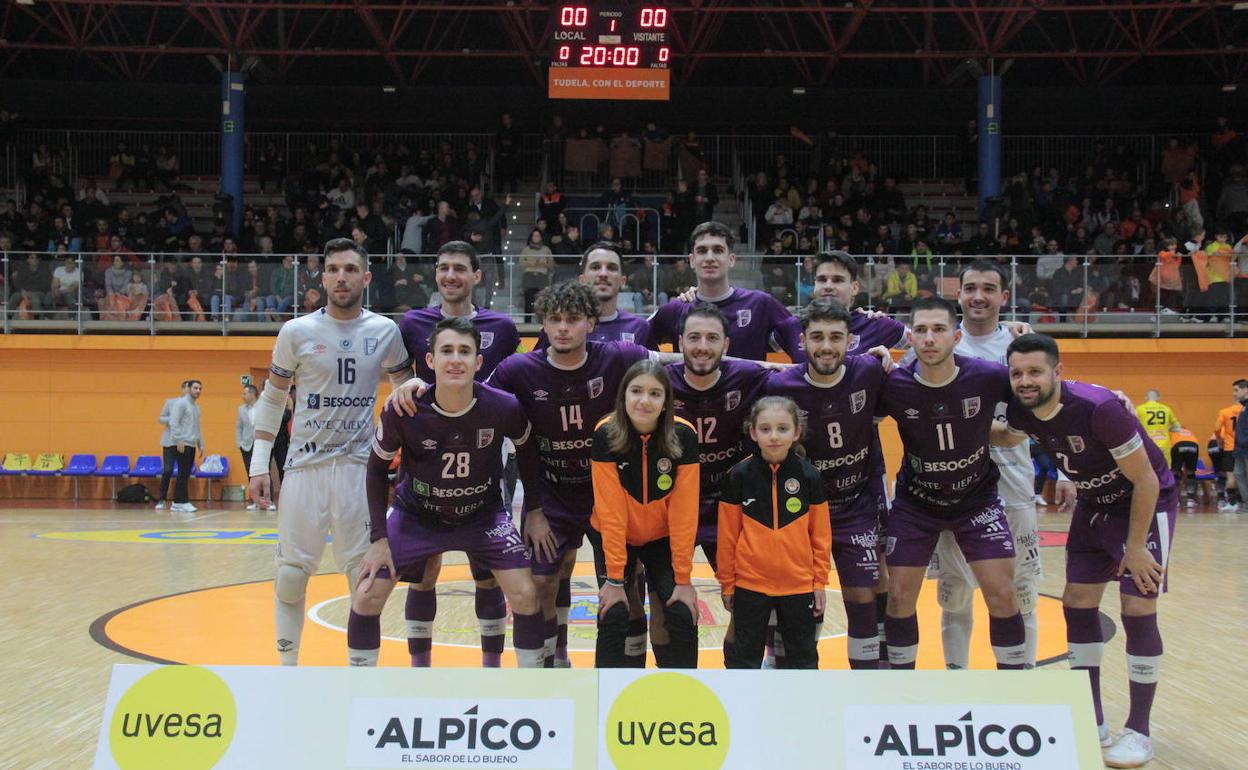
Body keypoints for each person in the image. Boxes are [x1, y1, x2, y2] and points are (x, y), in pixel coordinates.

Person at [1000, 333, 1177, 767]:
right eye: (1018, 372)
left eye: (1035, 371)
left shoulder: (1099, 408)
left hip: (1142, 505)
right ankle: (1091, 716)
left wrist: (1135, 547)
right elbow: (1005, 436)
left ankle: (1139, 729)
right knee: (1078, 603)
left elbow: (1147, 481)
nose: (1026, 380)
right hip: (1094, 505)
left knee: (1137, 607)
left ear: (1057, 372)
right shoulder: (1025, 408)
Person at [247, 238, 414, 666]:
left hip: (360, 470)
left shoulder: (385, 332)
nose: (342, 277)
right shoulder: (297, 331)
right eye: (334, 269)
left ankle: (360, 675)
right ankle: (287, 671)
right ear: (323, 277)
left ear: (366, 277)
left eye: (351, 269)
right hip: (304, 467)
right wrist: (259, 464)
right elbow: (271, 397)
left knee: (366, 577)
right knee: (288, 577)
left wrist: (407, 461)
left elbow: (405, 395)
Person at [347, 316, 548, 668]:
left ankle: (525, 688)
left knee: (526, 593)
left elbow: (529, 452)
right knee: (366, 595)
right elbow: (376, 470)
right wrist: (379, 539)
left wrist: (534, 510)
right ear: (430, 361)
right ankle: (359, 688)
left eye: (465, 352)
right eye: (447, 351)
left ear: (478, 362)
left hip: (483, 515)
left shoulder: (503, 406)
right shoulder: (404, 408)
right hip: (417, 514)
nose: (456, 359)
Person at [484, 281, 657, 666]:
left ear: (591, 323)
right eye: (554, 319)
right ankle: (553, 663)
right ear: (542, 324)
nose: (563, 327)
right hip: (550, 495)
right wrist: (416, 385)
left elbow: (684, 362)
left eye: (573, 319)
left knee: (626, 586)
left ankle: (625, 674)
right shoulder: (517, 370)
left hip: (609, 493)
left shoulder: (619, 357)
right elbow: (471, 396)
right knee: (542, 581)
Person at [925, 260, 1070, 671]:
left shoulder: (1022, 346)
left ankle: (1019, 681)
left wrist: (1064, 470)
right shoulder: (940, 343)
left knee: (1020, 589)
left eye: (989, 288)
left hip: (1013, 481)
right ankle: (958, 681)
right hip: (952, 485)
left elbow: (1055, 409)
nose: (978, 296)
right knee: (955, 590)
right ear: (959, 295)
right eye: (971, 287)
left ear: (1004, 297)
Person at [875, 297, 1027, 671]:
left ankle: (1015, 689)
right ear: (909, 338)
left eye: (939, 330)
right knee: (898, 596)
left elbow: (1042, 391)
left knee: (1004, 594)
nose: (930, 338)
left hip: (977, 501)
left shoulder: (989, 376)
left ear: (956, 336)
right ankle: (900, 687)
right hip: (916, 504)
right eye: (922, 331)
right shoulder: (893, 383)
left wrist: (1105, 396)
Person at [396, 241, 521, 668]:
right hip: (427, 454)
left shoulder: (501, 327)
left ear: (476, 276)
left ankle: (491, 669)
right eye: (444, 267)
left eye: (460, 269)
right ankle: (420, 669)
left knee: (486, 569)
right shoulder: (413, 323)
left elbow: (509, 380)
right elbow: (402, 380)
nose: (451, 276)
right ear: (435, 273)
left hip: (484, 452)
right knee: (424, 568)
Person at [763, 299, 888, 669]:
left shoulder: (870, 370)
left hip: (855, 507)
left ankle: (868, 680)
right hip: (800, 512)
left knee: (862, 593)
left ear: (851, 341)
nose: (827, 346)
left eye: (836, 337)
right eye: (817, 337)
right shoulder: (781, 385)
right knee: (797, 597)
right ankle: (787, 672)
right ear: (803, 342)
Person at [590, 360, 700, 668]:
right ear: (623, 396)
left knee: (681, 609)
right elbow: (610, 512)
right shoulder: (606, 434)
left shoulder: (684, 436)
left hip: (661, 537)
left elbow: (684, 513)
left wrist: (683, 579)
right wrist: (614, 580)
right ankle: (606, 695)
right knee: (611, 611)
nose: (644, 401)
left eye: (655, 393)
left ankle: (684, 692)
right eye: (636, 391)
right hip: (616, 535)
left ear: (666, 402)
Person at [717, 396, 831, 669]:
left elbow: (821, 536)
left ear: (796, 432)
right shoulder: (738, 476)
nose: (774, 436)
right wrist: (728, 583)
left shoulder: (810, 477)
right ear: (753, 432)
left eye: (783, 428)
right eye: (765, 429)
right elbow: (728, 537)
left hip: (799, 584)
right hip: (750, 585)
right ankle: (741, 709)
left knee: (803, 658)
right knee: (745, 658)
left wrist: (818, 583)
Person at [649, 221, 801, 361]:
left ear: (731, 259)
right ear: (692, 260)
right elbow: (635, 336)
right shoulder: (677, 308)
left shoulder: (760, 304)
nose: (709, 257)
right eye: (702, 251)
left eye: (718, 250)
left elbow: (803, 345)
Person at [167, 380, 204, 514]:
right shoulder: (181, 403)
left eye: (200, 388)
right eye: (195, 388)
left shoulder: (196, 407)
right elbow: (174, 422)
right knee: (182, 473)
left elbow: (197, 427)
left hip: (191, 443)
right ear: (188, 388)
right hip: (181, 443)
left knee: (186, 473)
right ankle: (181, 501)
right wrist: (179, 440)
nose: (198, 391)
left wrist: (200, 444)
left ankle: (178, 502)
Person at [155, 381, 189, 511]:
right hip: (169, 441)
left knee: (183, 472)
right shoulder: (170, 402)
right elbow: (161, 418)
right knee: (168, 470)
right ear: (182, 389)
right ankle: (162, 499)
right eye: (187, 388)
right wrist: (173, 418)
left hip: (185, 442)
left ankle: (180, 501)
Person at [1213, 382, 1245, 512]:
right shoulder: (1243, 411)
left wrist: (1220, 440)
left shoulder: (1225, 411)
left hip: (1229, 447)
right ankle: (1244, 501)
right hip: (1244, 447)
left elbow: (1216, 428)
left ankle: (1232, 503)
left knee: (1231, 476)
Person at [1136, 390, 1181, 457]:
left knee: (1150, 467)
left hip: (1148, 445)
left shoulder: (1139, 409)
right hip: (1165, 445)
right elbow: (1177, 428)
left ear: (1146, 397)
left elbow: (1131, 425)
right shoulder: (1167, 409)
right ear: (1158, 398)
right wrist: (1167, 429)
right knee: (1166, 467)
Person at [236, 384, 258, 511]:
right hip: (246, 445)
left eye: (244, 393)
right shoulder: (241, 409)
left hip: (260, 444)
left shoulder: (263, 407)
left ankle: (268, 499)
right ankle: (254, 500)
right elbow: (239, 427)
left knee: (262, 472)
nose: (242, 396)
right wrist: (239, 443)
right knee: (250, 473)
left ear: (252, 394)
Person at [1234, 379, 1248, 514]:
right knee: (1239, 474)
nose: (1234, 394)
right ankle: (1246, 502)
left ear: (1246, 390)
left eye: (1236, 390)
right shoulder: (1243, 407)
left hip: (1246, 447)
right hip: (1240, 449)